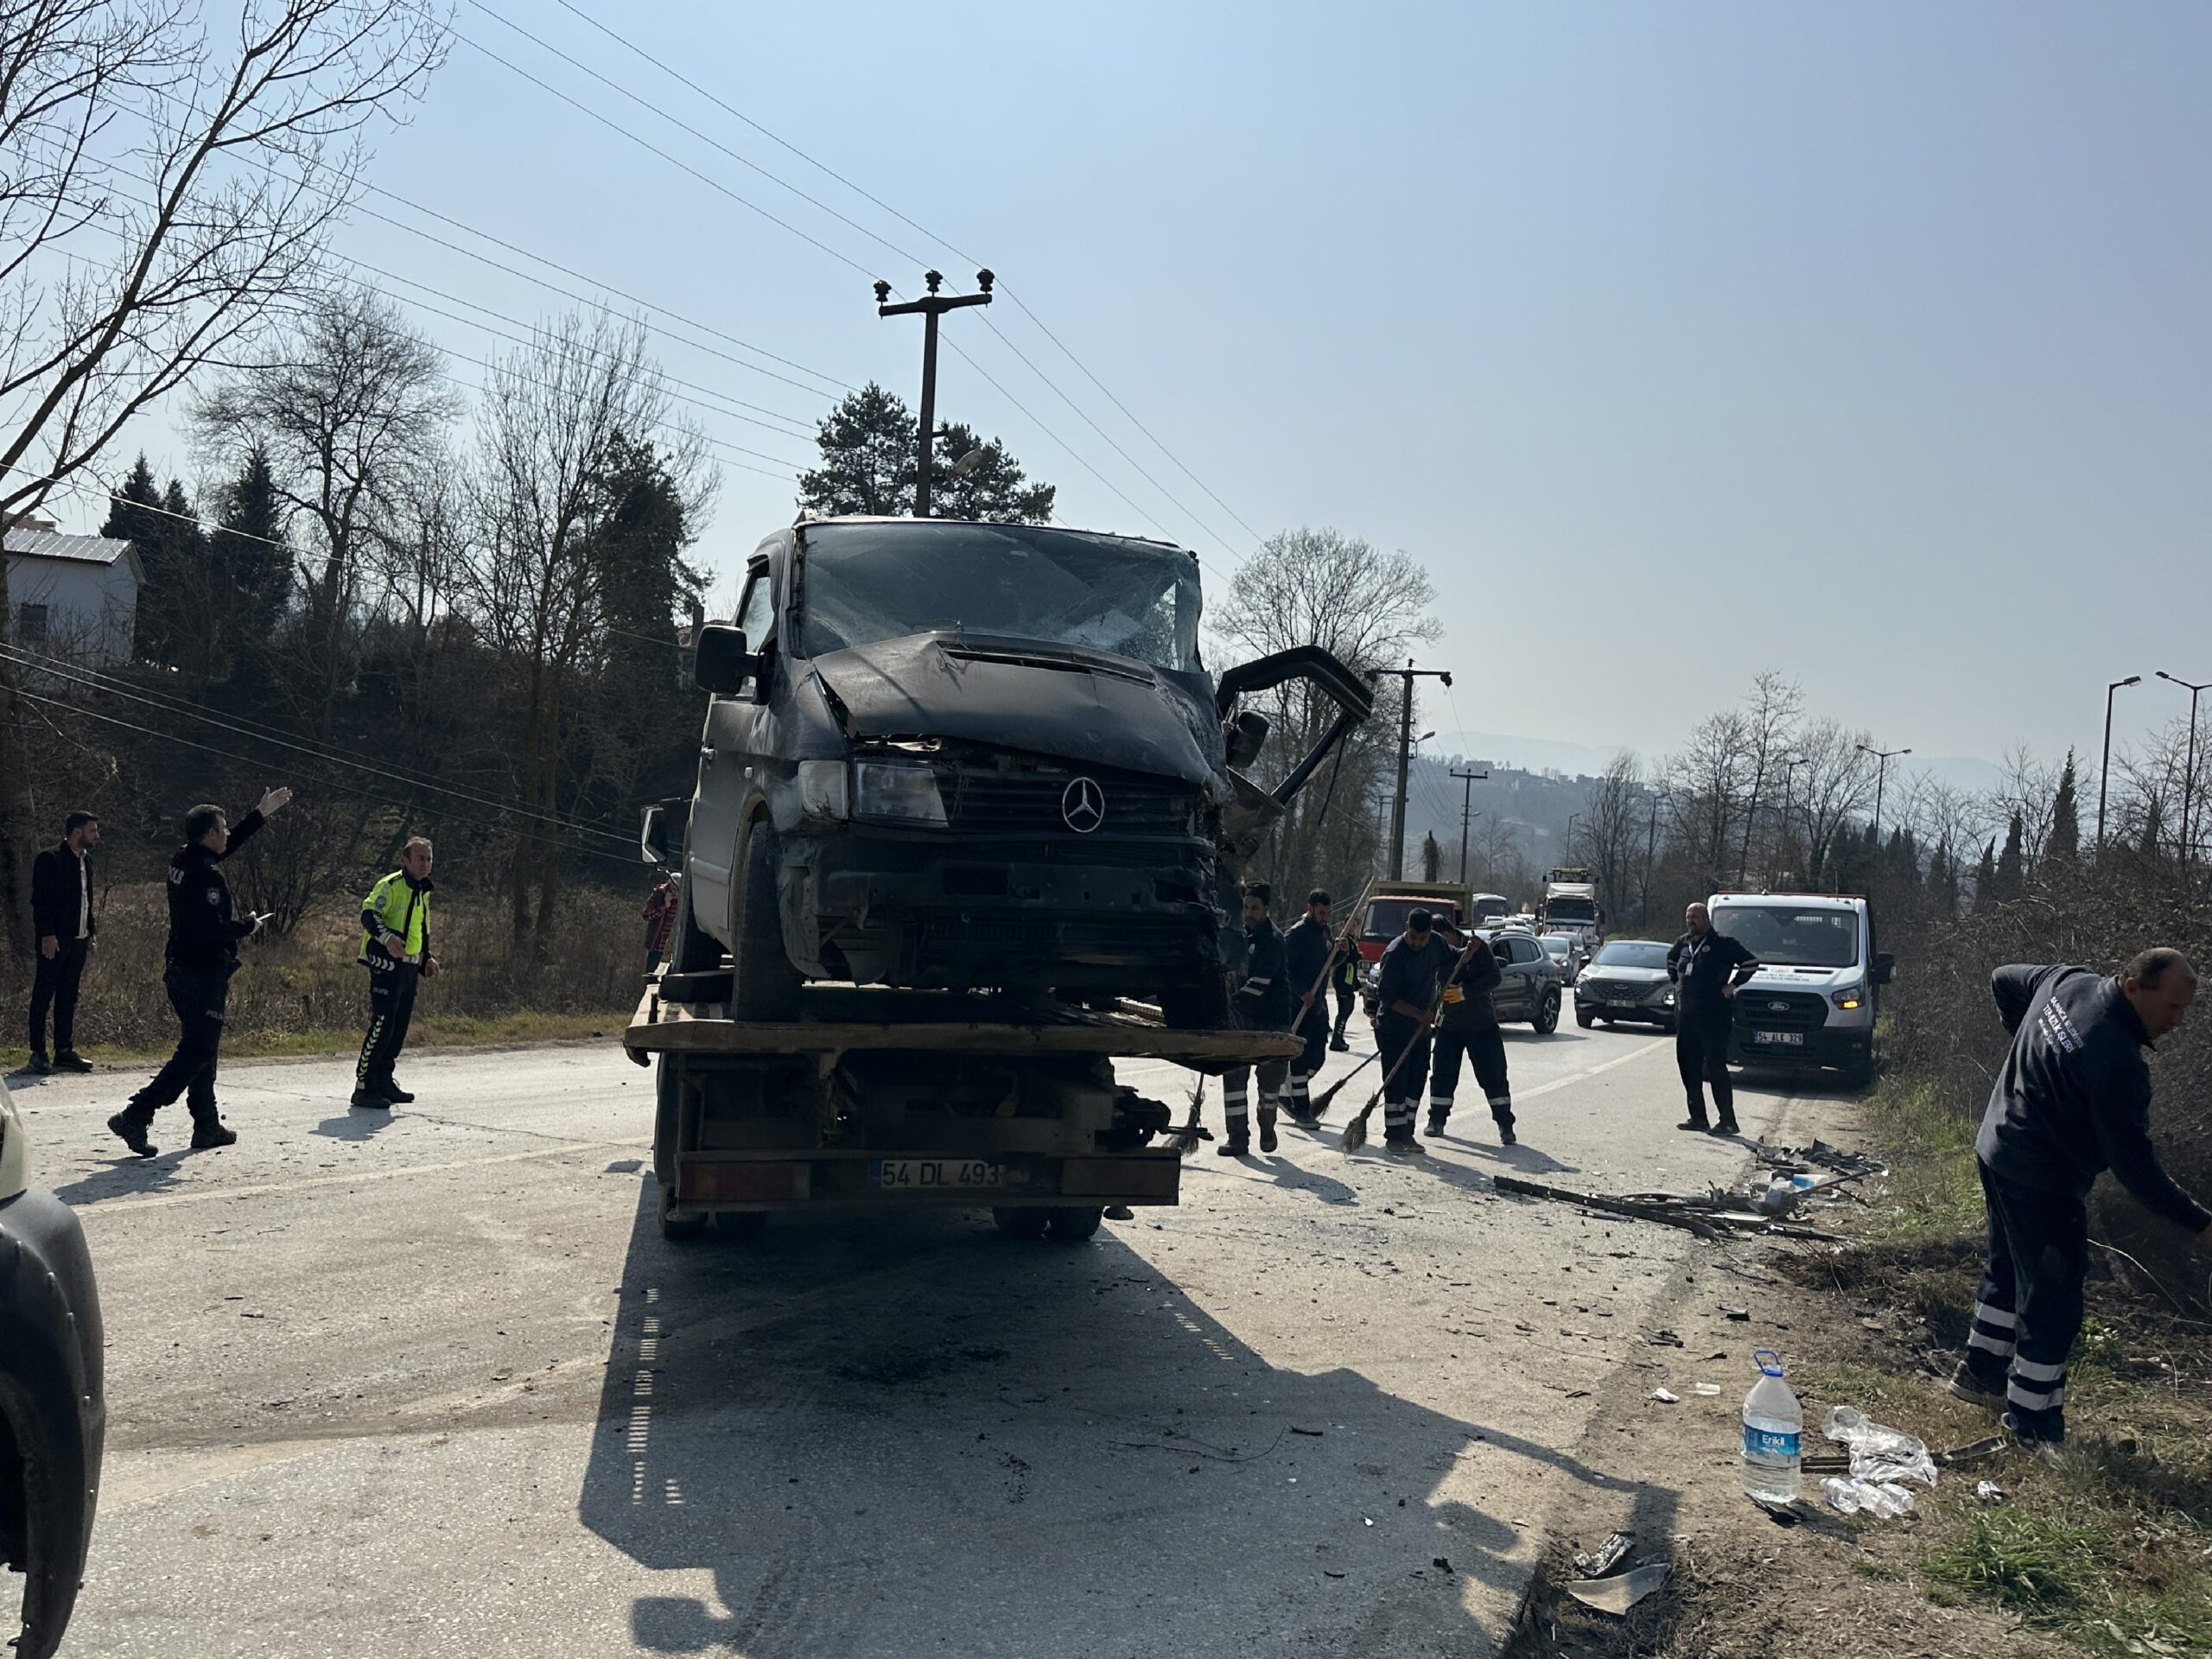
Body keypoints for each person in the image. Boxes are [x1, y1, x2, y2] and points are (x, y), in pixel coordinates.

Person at [1947, 950, 2209, 1448]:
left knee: (2008, 1270)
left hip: (1996, 1145)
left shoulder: (2068, 981)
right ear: (2133, 986)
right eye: (2171, 1007)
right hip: (2040, 1178)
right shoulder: (2114, 1059)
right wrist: (2199, 1224)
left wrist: (2032, 1053)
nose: (2177, 1020)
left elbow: (2003, 978)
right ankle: (2032, 1427)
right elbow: (2136, 1168)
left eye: (2184, 1010)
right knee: (2053, 1303)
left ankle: (1979, 1375)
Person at [109, 786, 293, 1157]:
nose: (226, 835)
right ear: (210, 834)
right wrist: (248, 926)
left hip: (182, 968)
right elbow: (213, 927)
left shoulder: (184, 859)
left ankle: (206, 1125)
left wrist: (259, 815)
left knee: (203, 1048)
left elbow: (224, 849)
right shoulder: (209, 877)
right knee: (195, 1052)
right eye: (222, 829)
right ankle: (137, 1113)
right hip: (201, 973)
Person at [353, 836, 440, 1111]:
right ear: (405, 860)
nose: (425, 864)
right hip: (386, 967)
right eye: (420, 858)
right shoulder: (390, 885)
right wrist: (387, 937)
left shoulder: (423, 891)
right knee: (382, 1026)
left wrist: (426, 958)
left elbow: (420, 929)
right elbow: (369, 914)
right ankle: (364, 1087)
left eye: (429, 858)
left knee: (399, 1029)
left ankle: (384, 1081)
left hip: (410, 968)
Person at [1665, 901, 1758, 1136]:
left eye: (1695, 917)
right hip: (1686, 1017)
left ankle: (1728, 1121)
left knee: (1715, 1067)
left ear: (1706, 919)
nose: (1691, 921)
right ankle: (1698, 1117)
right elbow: (1671, 961)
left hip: (1714, 1016)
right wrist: (1677, 985)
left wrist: (1732, 986)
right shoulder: (1683, 943)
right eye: (1688, 917)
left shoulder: (1723, 944)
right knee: (1688, 1066)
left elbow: (1751, 963)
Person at [1371, 907, 1459, 1155]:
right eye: (1414, 937)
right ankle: (1394, 1136)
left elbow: (1453, 957)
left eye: (1423, 939)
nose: (1418, 943)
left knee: (1416, 1081)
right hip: (1394, 1028)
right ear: (1407, 929)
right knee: (1396, 1084)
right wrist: (1418, 1014)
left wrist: (1469, 951)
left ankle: (1407, 1132)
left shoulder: (1436, 944)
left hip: (1420, 1030)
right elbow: (1387, 998)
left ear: (1430, 934)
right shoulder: (1395, 953)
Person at [1219, 883, 1293, 1156]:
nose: (1249, 913)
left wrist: (1229, 1005)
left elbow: (1257, 985)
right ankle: (1238, 1138)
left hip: (1272, 1020)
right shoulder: (1237, 935)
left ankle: (1267, 1123)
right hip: (1241, 1018)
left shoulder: (1273, 940)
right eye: (1246, 907)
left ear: (1266, 910)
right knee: (1234, 1077)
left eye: (1255, 909)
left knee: (1269, 1083)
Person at [1427, 922, 1516, 1145]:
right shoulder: (1441, 954)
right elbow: (1437, 977)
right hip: (1449, 1025)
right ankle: (1437, 1121)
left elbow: (1494, 978)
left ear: (1448, 934)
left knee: (1493, 1075)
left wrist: (1465, 992)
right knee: (1442, 1075)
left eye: (1440, 940)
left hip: (1481, 1026)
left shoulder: (1478, 948)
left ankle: (1505, 1125)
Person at [28, 810, 100, 1075]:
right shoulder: (50, 859)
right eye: (93, 831)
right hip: (55, 940)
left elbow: (86, 899)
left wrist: (91, 932)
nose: (96, 836)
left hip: (78, 939)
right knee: (44, 994)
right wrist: (47, 933)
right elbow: (41, 900)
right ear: (77, 832)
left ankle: (64, 1051)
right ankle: (37, 1052)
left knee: (69, 996)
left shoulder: (87, 861)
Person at [1281, 888, 1338, 1126]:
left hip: (1318, 1007)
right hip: (1298, 1006)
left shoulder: (1325, 932)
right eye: (1321, 912)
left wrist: (1341, 952)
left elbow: (1328, 965)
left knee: (1318, 1059)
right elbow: (1285, 969)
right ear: (1310, 908)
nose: (1325, 917)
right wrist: (1302, 991)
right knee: (1300, 1061)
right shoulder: (1297, 935)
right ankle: (1302, 1111)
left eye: (1327, 913)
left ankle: (1288, 1091)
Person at [643, 877, 678, 972]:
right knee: (651, 975)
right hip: (657, 946)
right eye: (673, 889)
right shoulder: (658, 895)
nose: (675, 893)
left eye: (678, 890)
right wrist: (664, 907)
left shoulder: (685, 901)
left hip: (675, 949)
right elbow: (646, 915)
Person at [1330, 949, 1361, 1051]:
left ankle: (1340, 1037)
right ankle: (1336, 1039)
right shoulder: (1345, 940)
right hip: (1342, 981)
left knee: (1348, 1010)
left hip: (1348, 982)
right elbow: (1346, 958)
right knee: (1344, 1011)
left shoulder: (1352, 940)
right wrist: (1357, 955)